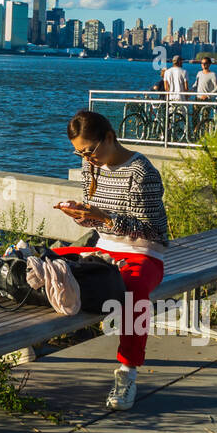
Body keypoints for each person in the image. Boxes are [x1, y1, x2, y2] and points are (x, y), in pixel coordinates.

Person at [52, 110, 169, 412]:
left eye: (90, 151)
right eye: (80, 153)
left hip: (143, 252)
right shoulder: (92, 168)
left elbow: (152, 230)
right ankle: (20, 345)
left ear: (109, 137)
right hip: (104, 248)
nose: (87, 158)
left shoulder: (142, 172)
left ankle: (127, 371)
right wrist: (82, 214)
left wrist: (104, 216)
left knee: (133, 291)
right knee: (47, 262)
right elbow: (95, 223)